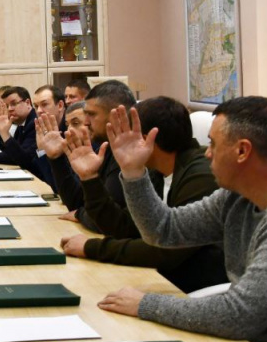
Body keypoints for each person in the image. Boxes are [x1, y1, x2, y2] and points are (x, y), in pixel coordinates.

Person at [98, 97, 267, 342]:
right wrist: (134, 173)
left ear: (242, 151)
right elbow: (164, 230)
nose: (207, 153)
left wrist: (146, 304)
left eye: (213, 144)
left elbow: (240, 315)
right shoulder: (236, 197)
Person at [58, 97, 226, 293]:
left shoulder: (202, 175)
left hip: (198, 291)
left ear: (146, 139)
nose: (117, 144)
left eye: (125, 136)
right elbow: (126, 228)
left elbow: (166, 250)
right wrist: (89, 178)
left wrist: (92, 247)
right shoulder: (157, 171)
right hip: (164, 279)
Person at [44, 80, 161, 232]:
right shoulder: (109, 147)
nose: (86, 122)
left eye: (91, 114)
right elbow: (78, 203)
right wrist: (57, 159)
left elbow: (112, 221)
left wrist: (81, 214)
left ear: (117, 114)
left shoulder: (132, 153)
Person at [0, 86, 37, 167]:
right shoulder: (21, 122)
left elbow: (23, 158)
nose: (9, 109)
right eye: (7, 106)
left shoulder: (35, 123)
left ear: (27, 103)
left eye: (13, 104)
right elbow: (11, 151)